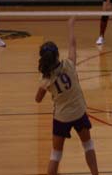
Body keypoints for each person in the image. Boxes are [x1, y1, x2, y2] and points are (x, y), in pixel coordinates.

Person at [35, 17, 98, 175]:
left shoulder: (46, 79)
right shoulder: (69, 65)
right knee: (88, 145)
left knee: (56, 154)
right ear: (57, 55)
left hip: (61, 117)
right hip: (78, 113)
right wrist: (70, 26)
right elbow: (72, 44)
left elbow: (37, 99)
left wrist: (44, 85)